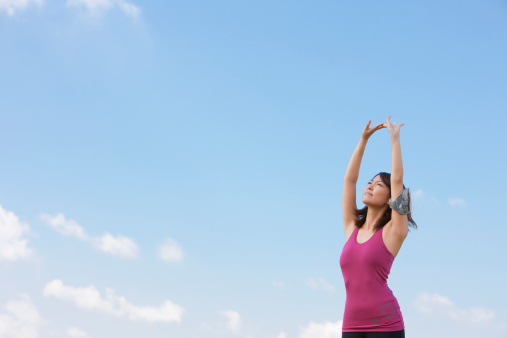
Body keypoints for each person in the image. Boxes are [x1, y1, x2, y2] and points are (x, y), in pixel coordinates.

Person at [339, 116, 417, 338]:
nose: (370, 186)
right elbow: (349, 181)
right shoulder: (351, 227)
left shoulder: (394, 231)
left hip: (386, 324)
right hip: (351, 324)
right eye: (370, 183)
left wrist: (394, 139)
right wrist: (363, 141)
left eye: (378, 184)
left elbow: (398, 182)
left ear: (389, 196)